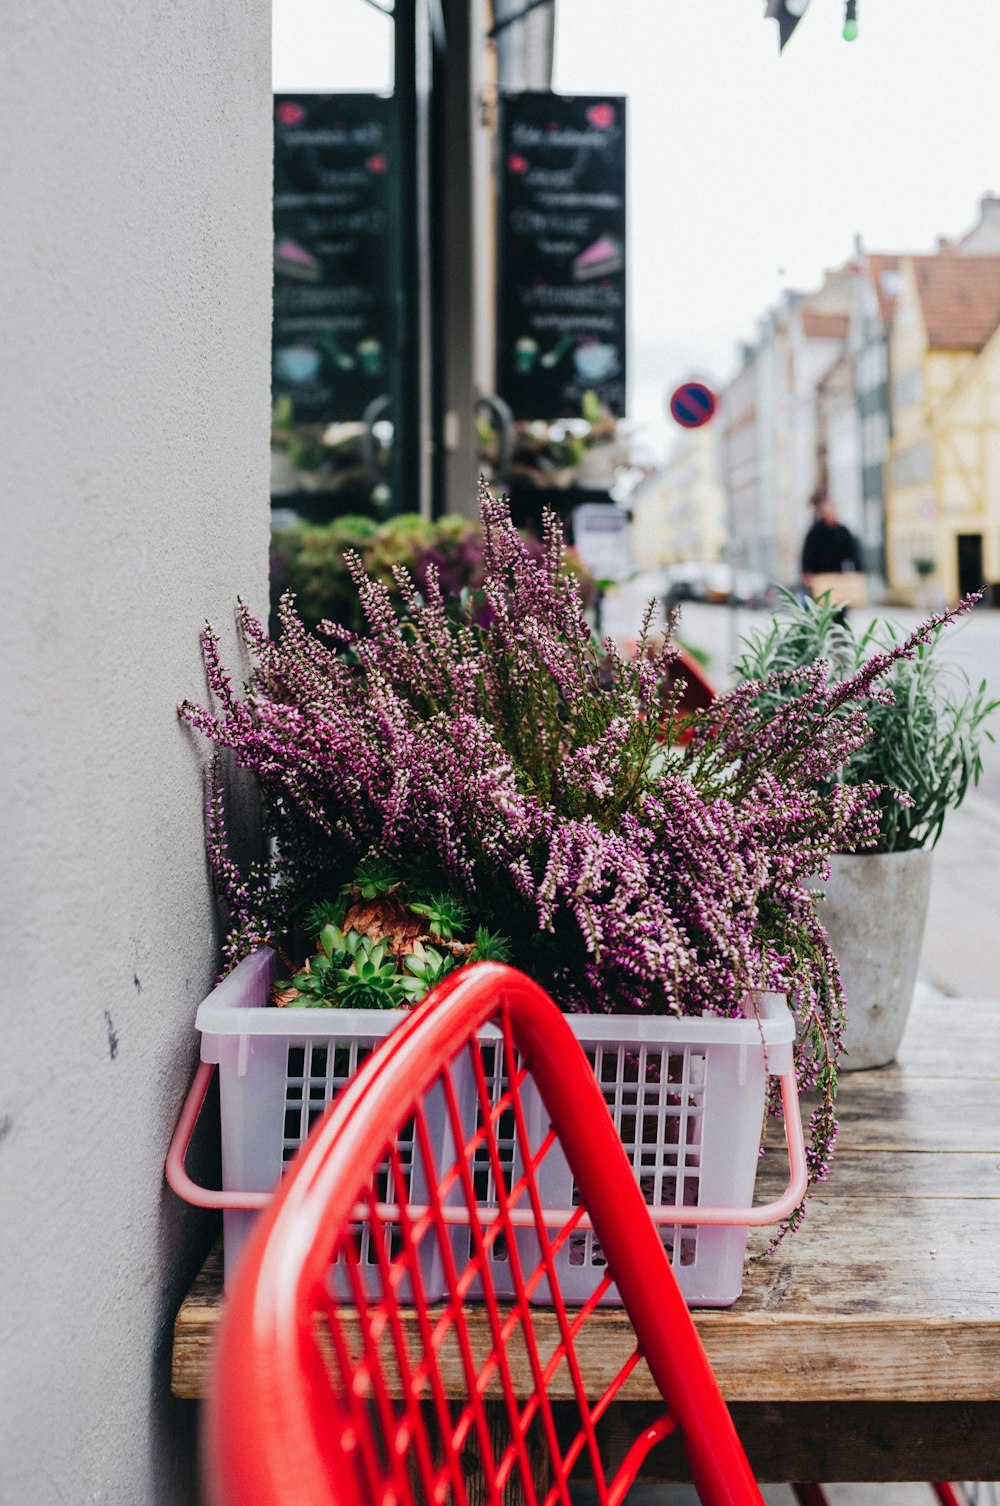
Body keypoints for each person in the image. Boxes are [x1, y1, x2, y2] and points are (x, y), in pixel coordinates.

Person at [801, 492, 864, 596]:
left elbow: (853, 553)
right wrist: (807, 573)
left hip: (838, 577)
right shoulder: (814, 532)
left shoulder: (843, 531)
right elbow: (807, 555)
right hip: (820, 578)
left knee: (839, 606)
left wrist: (858, 572)